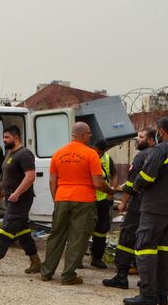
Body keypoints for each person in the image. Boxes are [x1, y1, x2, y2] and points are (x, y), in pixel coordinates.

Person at [124, 116, 168, 305]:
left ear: (161, 131)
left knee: (145, 246)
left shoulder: (161, 149)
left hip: (156, 207)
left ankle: (148, 295)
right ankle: (162, 295)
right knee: (167, 251)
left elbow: (146, 176)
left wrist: (136, 187)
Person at [40, 122, 115, 285]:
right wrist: (110, 191)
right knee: (78, 237)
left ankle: (46, 271)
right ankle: (68, 275)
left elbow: (53, 181)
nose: (90, 136)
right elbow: (97, 183)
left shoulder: (58, 154)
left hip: (61, 198)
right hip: (84, 200)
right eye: (89, 134)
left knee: (56, 235)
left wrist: (57, 199)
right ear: (82, 135)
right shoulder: (91, 154)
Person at [0, 125, 41, 276]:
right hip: (11, 198)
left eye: (7, 138)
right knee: (23, 231)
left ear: (16, 138)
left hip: (21, 199)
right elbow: (9, 176)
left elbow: (30, 177)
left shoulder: (24, 154)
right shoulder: (11, 153)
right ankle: (35, 261)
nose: (4, 140)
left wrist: (17, 193)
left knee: (6, 229)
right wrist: (5, 192)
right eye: (4, 137)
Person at [103, 128, 156, 289]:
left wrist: (123, 202)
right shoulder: (160, 155)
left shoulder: (142, 156)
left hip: (138, 205)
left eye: (141, 137)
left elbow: (132, 184)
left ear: (151, 140)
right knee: (149, 242)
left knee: (127, 238)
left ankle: (121, 276)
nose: (137, 140)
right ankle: (148, 279)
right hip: (154, 206)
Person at [89, 139, 118, 269]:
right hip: (87, 199)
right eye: (97, 152)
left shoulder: (107, 158)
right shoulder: (87, 156)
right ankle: (76, 259)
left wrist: (111, 193)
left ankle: (97, 258)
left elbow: (114, 175)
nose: (99, 155)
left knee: (101, 230)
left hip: (102, 200)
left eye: (101, 153)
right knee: (82, 229)